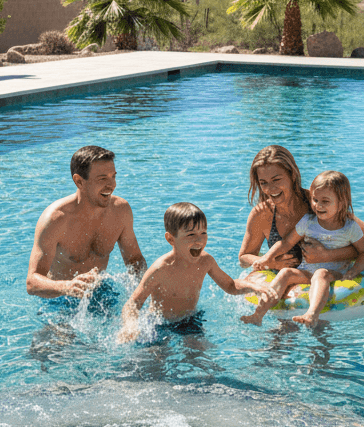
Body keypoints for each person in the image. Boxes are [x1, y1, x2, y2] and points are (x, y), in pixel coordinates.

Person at [116, 203, 262, 343]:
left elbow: (230, 285)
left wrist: (254, 287)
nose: (199, 240)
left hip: (189, 320)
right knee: (156, 364)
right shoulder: (160, 269)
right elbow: (133, 302)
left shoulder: (206, 261)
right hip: (159, 324)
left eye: (203, 233)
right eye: (191, 234)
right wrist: (129, 326)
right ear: (171, 239)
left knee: (203, 361)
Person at [242, 171, 364, 326]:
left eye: (325, 201)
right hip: (306, 271)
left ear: (342, 203)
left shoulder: (350, 227)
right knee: (286, 272)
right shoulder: (308, 221)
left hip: (334, 273)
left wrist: (354, 271)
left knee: (320, 274)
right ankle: (258, 315)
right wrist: (267, 257)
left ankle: (311, 314)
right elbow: (286, 243)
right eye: (315, 200)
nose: (318, 205)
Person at [26, 145, 145, 310]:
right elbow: (32, 282)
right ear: (79, 181)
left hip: (101, 293)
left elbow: (134, 260)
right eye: (102, 179)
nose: (111, 185)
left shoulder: (120, 211)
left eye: (113, 177)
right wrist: (67, 287)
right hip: (60, 299)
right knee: (60, 337)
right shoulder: (55, 219)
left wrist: (143, 292)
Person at [238, 145, 364, 275]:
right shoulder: (262, 214)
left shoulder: (317, 204)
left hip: (326, 277)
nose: (270, 189)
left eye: (277, 180)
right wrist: (269, 262)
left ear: (292, 175)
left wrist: (328, 255)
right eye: (263, 183)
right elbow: (244, 258)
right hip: (288, 281)